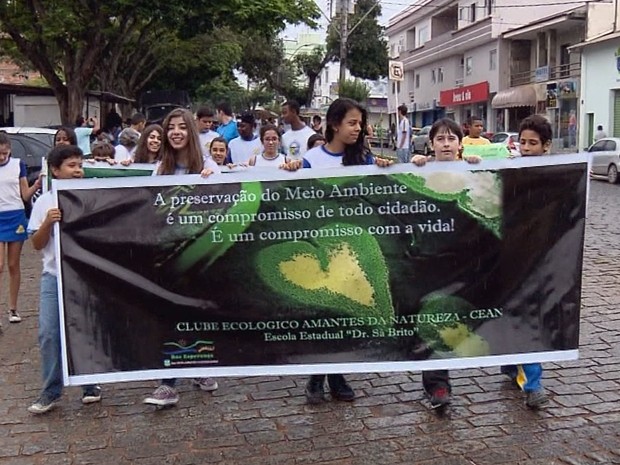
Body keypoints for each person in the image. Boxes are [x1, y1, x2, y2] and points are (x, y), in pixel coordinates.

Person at [280, 98, 397, 405]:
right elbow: (295, 196)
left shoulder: (364, 159)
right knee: (324, 312)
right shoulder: (312, 159)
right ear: (334, 125)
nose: (358, 129)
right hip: (321, 246)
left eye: (361, 124)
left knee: (346, 313)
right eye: (352, 123)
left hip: (355, 247)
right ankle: (320, 377)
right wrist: (289, 170)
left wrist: (385, 169)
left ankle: (335, 375)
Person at [144, 108, 219, 407]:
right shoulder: (160, 169)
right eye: (170, 127)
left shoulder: (210, 166)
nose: (175, 132)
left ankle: (199, 369)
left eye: (181, 127)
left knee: (195, 315)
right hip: (168, 256)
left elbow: (222, 206)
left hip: (200, 256)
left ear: (191, 132)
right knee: (171, 316)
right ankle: (168, 383)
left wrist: (210, 182)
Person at [409, 118, 481, 409]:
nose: (446, 144)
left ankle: (511, 367)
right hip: (428, 262)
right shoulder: (418, 171)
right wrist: (413, 164)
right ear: (431, 145)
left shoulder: (473, 169)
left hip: (464, 262)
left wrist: (479, 166)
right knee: (432, 319)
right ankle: (437, 386)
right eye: (440, 139)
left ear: (460, 144)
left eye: (452, 139)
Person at [27, 144, 102, 414]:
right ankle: (51, 390)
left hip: (83, 276)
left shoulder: (91, 197)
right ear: (55, 171)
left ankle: (90, 383)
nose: (78, 171)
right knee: (48, 333)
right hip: (54, 277)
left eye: (80, 165)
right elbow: (36, 244)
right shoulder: (44, 203)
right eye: (71, 166)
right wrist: (47, 222)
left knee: (85, 329)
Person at [500, 114, 551, 410]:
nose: (527, 147)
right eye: (523, 142)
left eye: (533, 143)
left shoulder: (559, 174)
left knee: (529, 319)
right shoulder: (509, 169)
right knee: (513, 315)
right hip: (510, 260)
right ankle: (515, 368)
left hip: (541, 261)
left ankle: (531, 383)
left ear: (547, 145)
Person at [0, 132, 41, 326]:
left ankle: (13, 308)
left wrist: (37, 185)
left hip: (15, 215)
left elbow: (25, 195)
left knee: (13, 265)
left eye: (5, 153)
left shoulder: (18, 165)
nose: (2, 157)